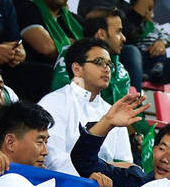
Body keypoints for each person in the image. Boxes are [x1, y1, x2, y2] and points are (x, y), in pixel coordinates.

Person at [38, 37, 132, 177]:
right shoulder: (53, 102)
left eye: (109, 64)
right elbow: (53, 159)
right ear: (77, 69)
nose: (107, 69)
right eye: (99, 62)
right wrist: (91, 177)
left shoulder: (112, 111)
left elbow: (126, 164)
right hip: (66, 185)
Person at [75, 0, 163, 92]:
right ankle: (134, 109)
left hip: (136, 58)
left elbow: (136, 34)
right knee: (130, 51)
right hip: (105, 60)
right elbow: (127, 32)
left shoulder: (122, 4)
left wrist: (159, 42)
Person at [12, 0, 79, 95]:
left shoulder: (73, 20)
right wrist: (77, 46)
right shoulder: (26, 10)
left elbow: (95, 49)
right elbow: (46, 47)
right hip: (38, 82)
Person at [0, 100, 55, 171]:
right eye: (40, 142)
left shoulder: (45, 179)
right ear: (10, 142)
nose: (45, 152)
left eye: (46, 142)